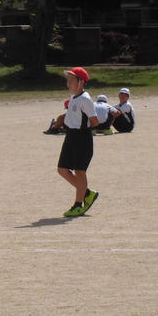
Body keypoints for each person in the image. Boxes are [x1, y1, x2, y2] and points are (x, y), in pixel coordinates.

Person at [57, 67, 100, 217]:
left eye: (71, 80)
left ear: (81, 82)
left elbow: (95, 121)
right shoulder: (74, 97)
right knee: (62, 169)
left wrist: (82, 130)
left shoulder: (85, 99)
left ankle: (78, 204)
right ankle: (87, 193)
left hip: (81, 138)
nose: (68, 83)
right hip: (70, 137)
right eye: (67, 80)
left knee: (79, 171)